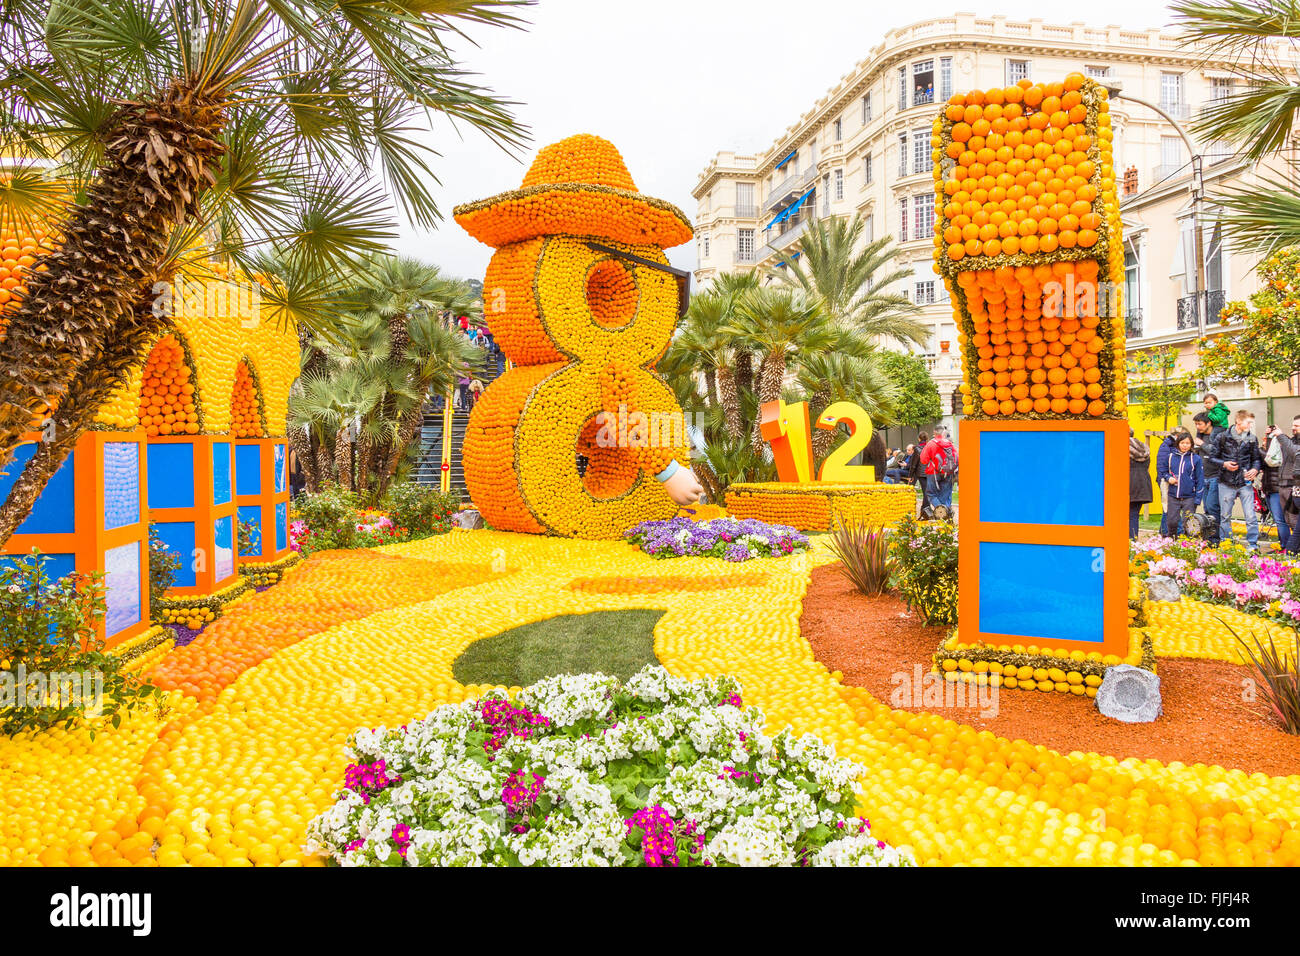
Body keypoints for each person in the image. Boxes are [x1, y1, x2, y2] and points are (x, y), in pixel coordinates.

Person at [1207, 409, 1263, 548]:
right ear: (1238, 421)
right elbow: (1212, 458)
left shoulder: (1252, 439)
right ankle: (1227, 543)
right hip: (1225, 482)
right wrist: (1224, 464)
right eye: (1248, 422)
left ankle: (1253, 545)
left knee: (1250, 516)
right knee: (1225, 515)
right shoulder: (1222, 437)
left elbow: (1256, 459)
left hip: (1245, 482)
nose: (1251, 425)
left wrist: (1255, 469)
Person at [1261, 422, 1297, 551]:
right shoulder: (1286, 443)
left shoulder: (1289, 447)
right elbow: (1267, 458)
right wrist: (1269, 438)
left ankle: (1288, 547)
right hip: (1273, 487)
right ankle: (1289, 547)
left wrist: (1276, 437)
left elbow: (1292, 452)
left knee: (1286, 520)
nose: (1293, 427)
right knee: (1283, 519)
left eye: (1297, 425)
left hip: (1284, 487)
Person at [1192, 412, 1225, 545]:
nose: (1197, 426)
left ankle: (1215, 538)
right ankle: (1209, 538)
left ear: (1208, 423)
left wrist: (1201, 444)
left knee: (1213, 507)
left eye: (1200, 424)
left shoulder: (1217, 435)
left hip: (1215, 476)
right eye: (1196, 424)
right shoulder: (1199, 436)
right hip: (1203, 476)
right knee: (1207, 508)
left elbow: (1216, 451)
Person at [1164, 429, 1203, 537]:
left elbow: (1200, 479)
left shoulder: (1196, 459)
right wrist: (1168, 478)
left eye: (1187, 443)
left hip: (1189, 496)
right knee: (1172, 521)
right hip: (1173, 495)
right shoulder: (1171, 457)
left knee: (1188, 522)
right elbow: (1163, 471)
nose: (1185, 445)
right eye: (1182, 443)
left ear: (1191, 444)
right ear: (1178, 443)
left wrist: (1198, 498)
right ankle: (1171, 540)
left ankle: (1187, 544)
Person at [920, 426, 958, 511]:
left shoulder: (931, 443)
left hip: (933, 472)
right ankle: (946, 515)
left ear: (934, 433)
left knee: (931, 494)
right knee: (945, 495)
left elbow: (923, 460)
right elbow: (956, 456)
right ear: (943, 433)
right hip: (948, 471)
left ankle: (942, 512)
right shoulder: (949, 443)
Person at [1154, 429, 1181, 536]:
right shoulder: (1167, 446)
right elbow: (1162, 465)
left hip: (1170, 480)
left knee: (1169, 506)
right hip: (1166, 481)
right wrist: (1166, 478)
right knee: (1168, 506)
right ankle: (1167, 532)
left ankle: (1164, 531)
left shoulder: (1169, 445)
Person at [1129, 428, 1153, 540]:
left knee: (1122, 516)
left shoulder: (1121, 447)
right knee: (1134, 515)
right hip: (1143, 484)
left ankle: (1125, 542)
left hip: (1128, 484)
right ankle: (1133, 541)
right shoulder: (1144, 448)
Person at [909, 431, 930, 515]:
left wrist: (910, 475)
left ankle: (925, 510)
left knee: (925, 491)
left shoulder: (917, 449)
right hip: (929, 472)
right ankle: (925, 509)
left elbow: (913, 464)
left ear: (919, 438)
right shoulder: (929, 447)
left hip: (921, 473)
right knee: (927, 491)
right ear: (927, 439)